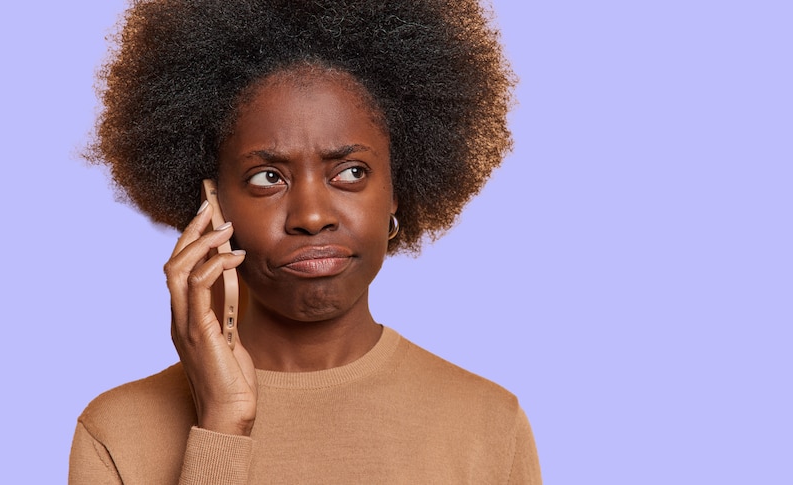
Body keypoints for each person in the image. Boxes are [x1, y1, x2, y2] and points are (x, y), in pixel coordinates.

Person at [69, 0, 541, 483]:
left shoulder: (489, 425)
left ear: (397, 190)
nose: (312, 217)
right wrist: (223, 423)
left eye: (351, 172)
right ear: (213, 203)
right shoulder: (117, 434)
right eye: (267, 176)